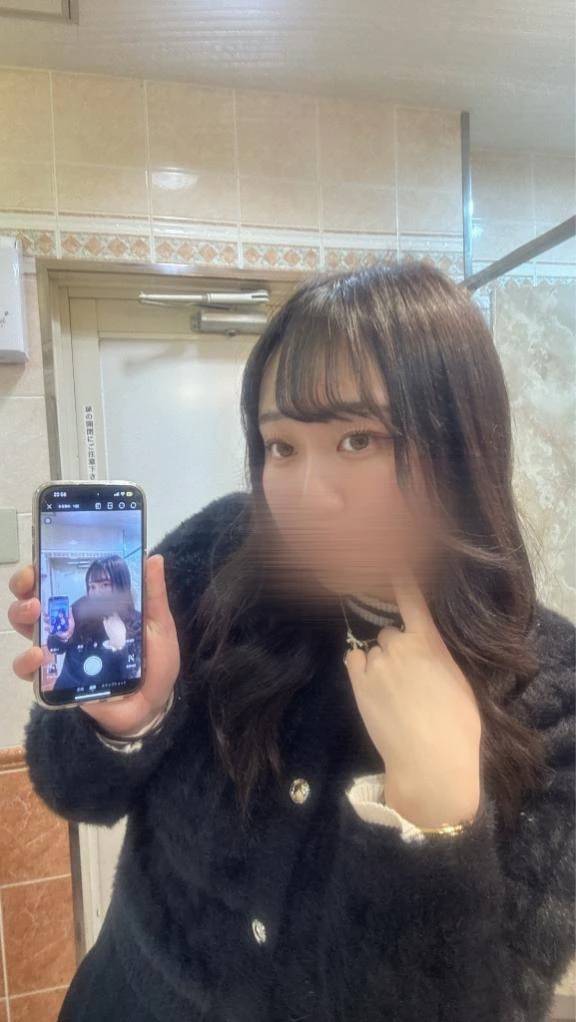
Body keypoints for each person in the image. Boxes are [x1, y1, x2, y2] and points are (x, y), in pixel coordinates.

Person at [8, 261, 575, 1022]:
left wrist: (433, 814)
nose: (307, 495)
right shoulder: (219, 554)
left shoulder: (552, 690)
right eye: (281, 446)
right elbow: (70, 789)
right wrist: (130, 723)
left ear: (461, 444)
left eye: (358, 439)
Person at [42, 555, 142, 691]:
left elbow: (129, 675)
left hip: (111, 695)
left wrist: (119, 644)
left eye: (105, 585)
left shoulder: (136, 621)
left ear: (121, 586)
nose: (96, 593)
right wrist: (62, 636)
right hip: (68, 691)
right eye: (92, 587)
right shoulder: (79, 608)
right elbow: (55, 648)